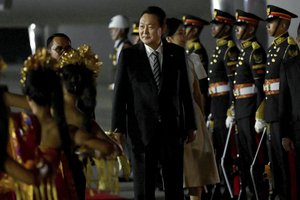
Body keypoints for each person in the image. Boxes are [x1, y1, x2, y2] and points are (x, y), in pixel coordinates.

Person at [111, 6, 197, 200]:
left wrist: (191, 125)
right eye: (142, 26)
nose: (144, 31)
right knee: (143, 187)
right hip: (141, 131)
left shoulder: (176, 54)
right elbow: (120, 95)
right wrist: (118, 129)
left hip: (172, 129)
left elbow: (185, 93)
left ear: (162, 28)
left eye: (150, 27)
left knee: (174, 186)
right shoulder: (129, 56)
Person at [165, 17, 219, 200]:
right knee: (178, 172)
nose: (185, 36)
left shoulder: (192, 59)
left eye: (184, 32)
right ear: (168, 38)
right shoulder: (161, 63)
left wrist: (201, 117)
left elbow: (198, 92)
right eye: (180, 33)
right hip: (172, 117)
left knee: (196, 171)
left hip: (192, 115)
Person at [259, 5, 299, 200]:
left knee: (284, 162)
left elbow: (289, 87)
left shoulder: (289, 48)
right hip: (272, 109)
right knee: (274, 159)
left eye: (271, 21)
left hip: (283, 111)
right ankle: (280, 192)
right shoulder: (274, 47)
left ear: (283, 24)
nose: (267, 25)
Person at [228, 9, 266, 199]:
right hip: (242, 110)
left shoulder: (255, 51)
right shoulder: (245, 51)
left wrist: (260, 115)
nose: (237, 29)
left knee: (254, 157)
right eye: (236, 26)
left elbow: (260, 87)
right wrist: (233, 108)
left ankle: (260, 192)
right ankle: (249, 190)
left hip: (251, 112)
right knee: (244, 156)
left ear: (251, 27)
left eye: (241, 25)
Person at [207, 9, 239, 199]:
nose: (213, 28)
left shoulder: (229, 50)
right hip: (217, 107)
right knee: (219, 151)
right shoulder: (219, 48)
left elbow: (233, 82)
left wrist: (231, 107)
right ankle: (222, 189)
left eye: (217, 24)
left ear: (227, 27)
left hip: (225, 108)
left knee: (228, 153)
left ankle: (231, 190)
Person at [182, 14, 210, 118]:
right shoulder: (187, 49)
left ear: (194, 31)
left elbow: (200, 80)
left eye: (186, 28)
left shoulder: (197, 51)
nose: (183, 31)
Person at [108, 14, 132, 91]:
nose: (111, 32)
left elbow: (126, 69)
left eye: (114, 29)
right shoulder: (118, 46)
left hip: (122, 88)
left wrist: (117, 84)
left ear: (121, 30)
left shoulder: (125, 47)